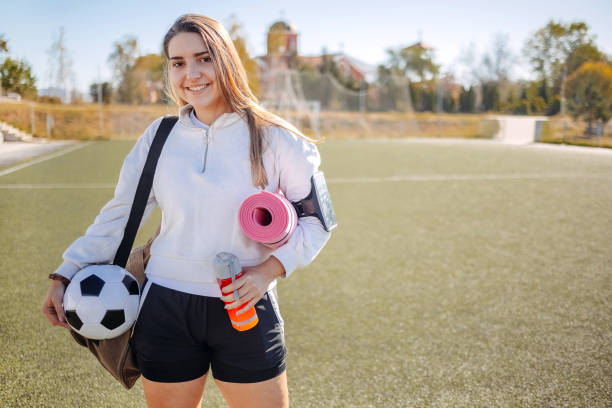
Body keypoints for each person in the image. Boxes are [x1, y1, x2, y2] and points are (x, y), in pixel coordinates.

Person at [41, 14, 332, 408]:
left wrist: (268, 270)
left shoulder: (275, 137)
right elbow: (119, 214)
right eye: (178, 63)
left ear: (226, 60)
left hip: (244, 307)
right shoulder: (159, 137)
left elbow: (318, 221)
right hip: (166, 308)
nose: (190, 73)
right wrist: (66, 271)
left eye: (203, 58)